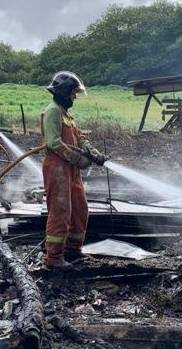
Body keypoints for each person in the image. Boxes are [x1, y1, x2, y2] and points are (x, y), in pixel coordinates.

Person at [41, 71, 109, 271]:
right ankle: (53, 257)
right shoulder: (52, 111)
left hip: (71, 169)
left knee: (80, 209)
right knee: (61, 211)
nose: (74, 98)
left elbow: (79, 138)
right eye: (72, 94)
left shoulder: (65, 113)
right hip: (57, 168)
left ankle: (72, 250)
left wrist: (94, 153)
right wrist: (78, 159)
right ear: (63, 92)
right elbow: (53, 142)